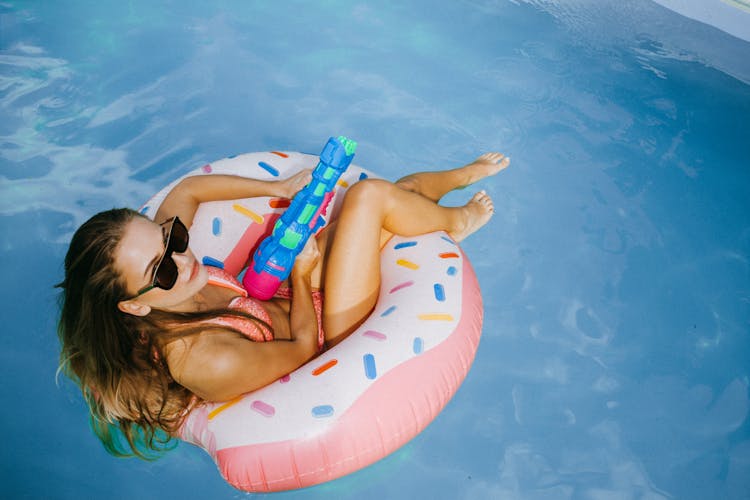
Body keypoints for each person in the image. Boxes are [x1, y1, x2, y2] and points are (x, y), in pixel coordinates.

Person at [57, 152, 510, 457]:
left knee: (394, 193)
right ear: (135, 307)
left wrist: (279, 185)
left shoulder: (168, 279)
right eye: (163, 268)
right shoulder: (202, 359)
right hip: (328, 332)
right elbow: (302, 353)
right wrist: (300, 274)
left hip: (292, 295)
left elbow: (191, 190)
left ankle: (459, 177)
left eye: (171, 237)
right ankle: (460, 221)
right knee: (370, 199)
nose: (183, 255)